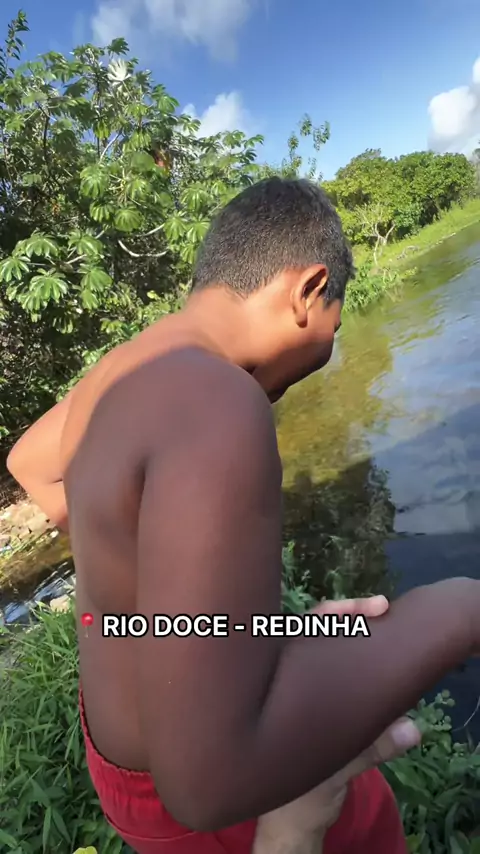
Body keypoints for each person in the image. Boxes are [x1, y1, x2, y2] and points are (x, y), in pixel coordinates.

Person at [7, 177, 480, 854]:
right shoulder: (217, 397)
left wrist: (172, 597)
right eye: (336, 325)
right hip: (203, 799)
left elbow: (30, 461)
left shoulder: (124, 372)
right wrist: (461, 613)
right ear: (308, 290)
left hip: (127, 768)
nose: (331, 346)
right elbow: (208, 782)